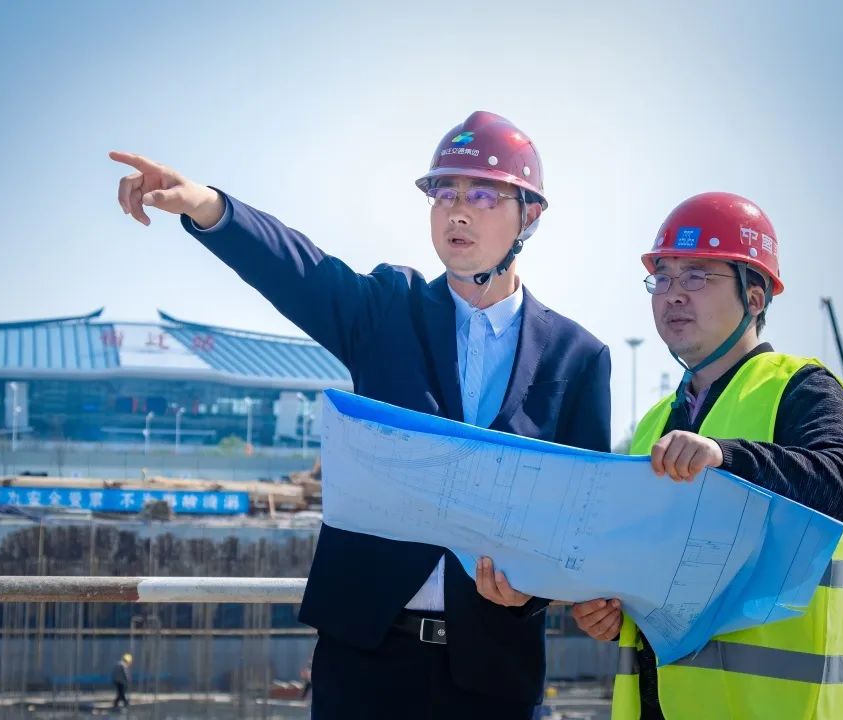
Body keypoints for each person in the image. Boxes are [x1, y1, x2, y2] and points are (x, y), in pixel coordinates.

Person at [111, 110, 612, 719]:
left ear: (529, 216)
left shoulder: (576, 358)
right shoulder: (388, 310)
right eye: (444, 193)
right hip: (367, 666)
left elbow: (580, 518)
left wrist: (530, 593)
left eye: (482, 195)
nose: (457, 212)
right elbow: (300, 270)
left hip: (494, 676)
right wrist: (207, 206)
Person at [571, 192, 843, 719]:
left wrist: (725, 459)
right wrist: (612, 612)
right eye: (662, 278)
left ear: (754, 296)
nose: (672, 295)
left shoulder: (799, 387)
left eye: (696, 277)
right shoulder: (653, 425)